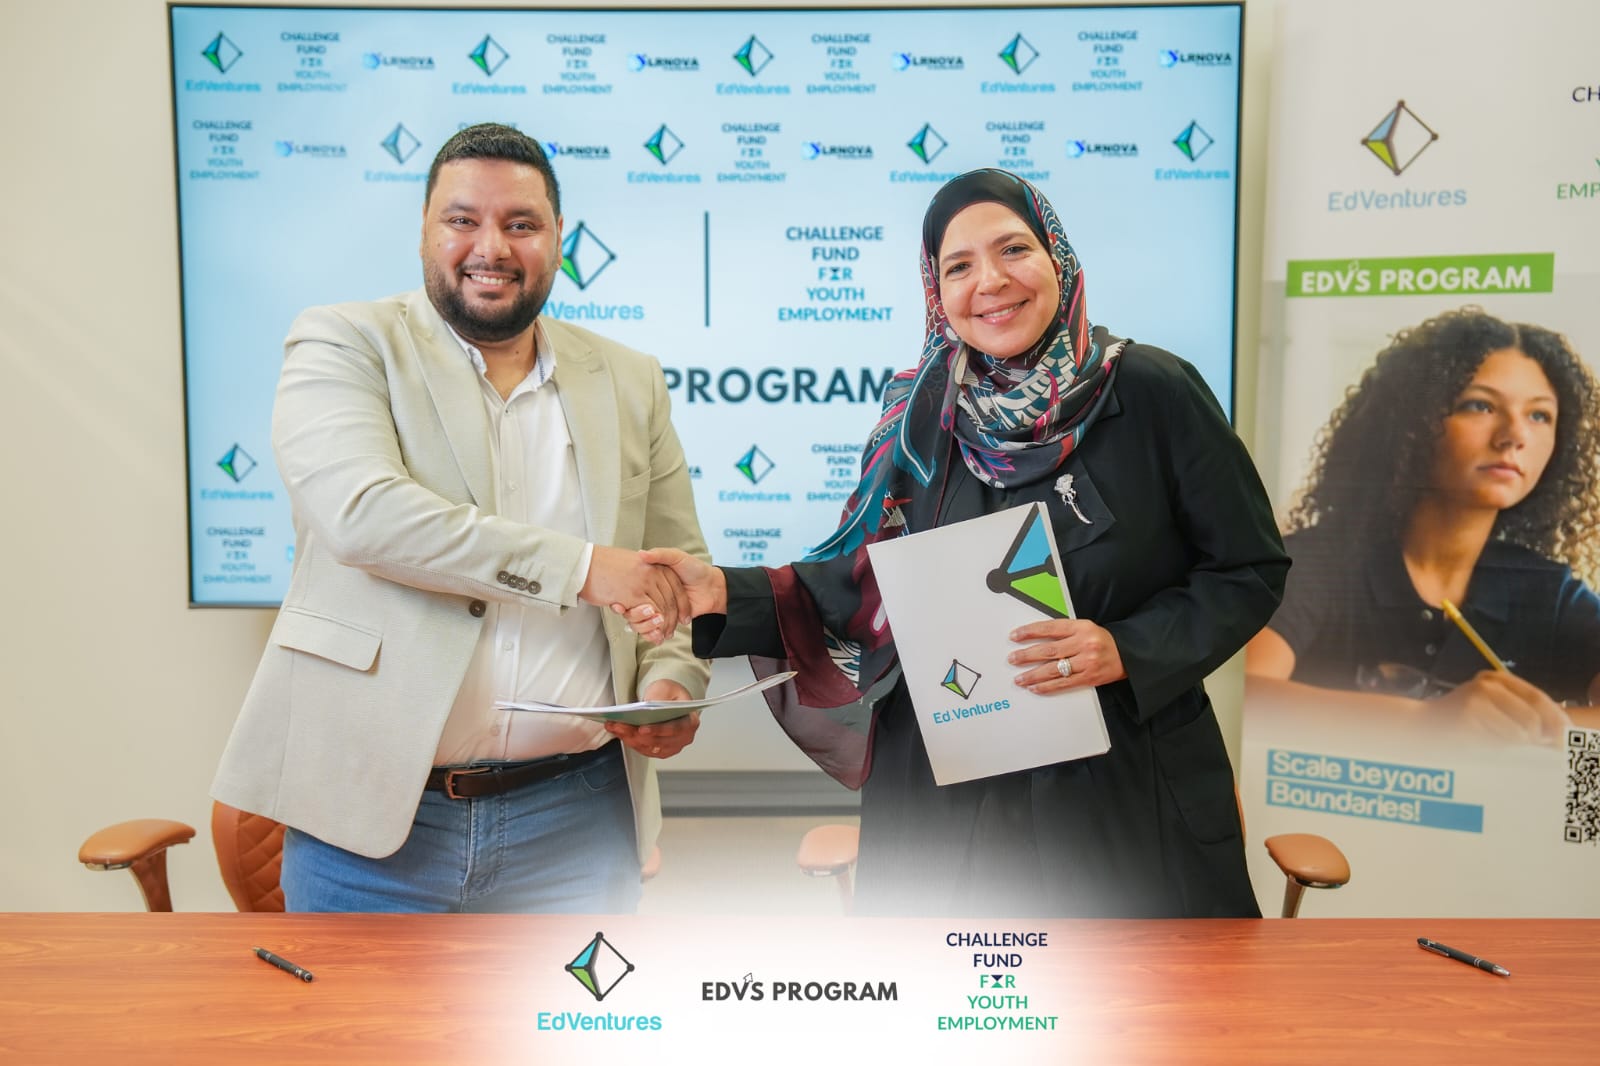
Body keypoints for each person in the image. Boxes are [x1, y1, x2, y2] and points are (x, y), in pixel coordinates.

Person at [631, 169, 1289, 918]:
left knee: (1135, 994)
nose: (991, 282)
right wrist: (723, 591)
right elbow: (860, 585)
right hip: (949, 800)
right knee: (952, 992)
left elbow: (1248, 568)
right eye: (959, 266)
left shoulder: (1150, 391)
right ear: (935, 289)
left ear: (1057, 258)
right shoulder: (917, 416)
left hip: (1122, 791)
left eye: (1013, 250)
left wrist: (1127, 649)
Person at [212, 123, 710, 913]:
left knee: (578, 1005)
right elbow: (364, 518)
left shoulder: (630, 378)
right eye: (463, 220)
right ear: (424, 229)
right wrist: (585, 570)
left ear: (558, 236)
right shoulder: (343, 343)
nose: (492, 247)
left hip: (577, 822)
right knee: (355, 1008)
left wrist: (670, 680)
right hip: (371, 823)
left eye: (521, 224)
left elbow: (673, 567)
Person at [1245, 308, 1600, 740]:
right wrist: (1427, 723)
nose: (1514, 435)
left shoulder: (1549, 592)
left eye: (1539, 415)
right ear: (1412, 423)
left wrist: (1531, 730)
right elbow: (1242, 697)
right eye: (1480, 405)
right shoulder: (1317, 564)